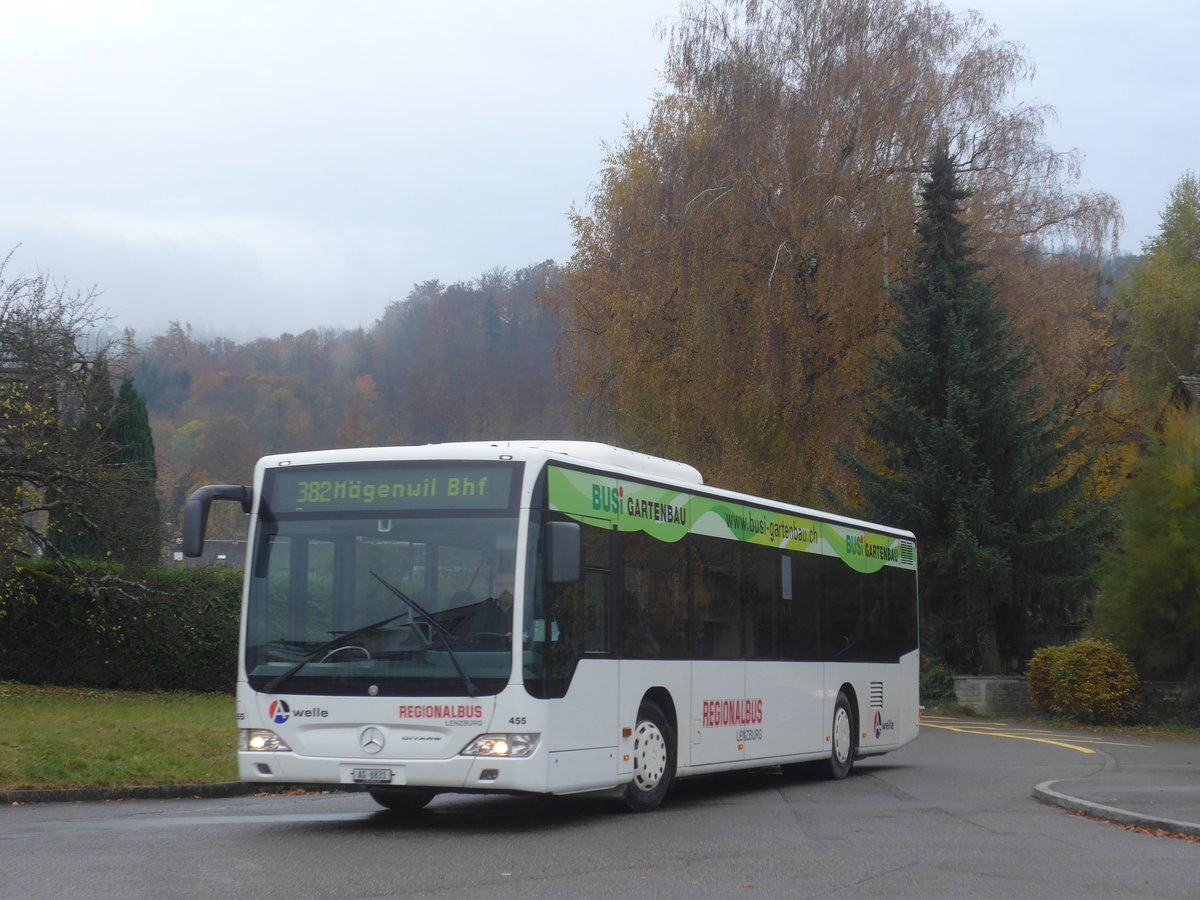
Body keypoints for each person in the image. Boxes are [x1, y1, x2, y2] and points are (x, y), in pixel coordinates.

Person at [469, 572, 514, 641]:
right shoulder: (483, 610)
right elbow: (473, 637)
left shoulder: (527, 610)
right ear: (495, 588)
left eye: (509, 584)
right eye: (500, 585)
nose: (505, 589)